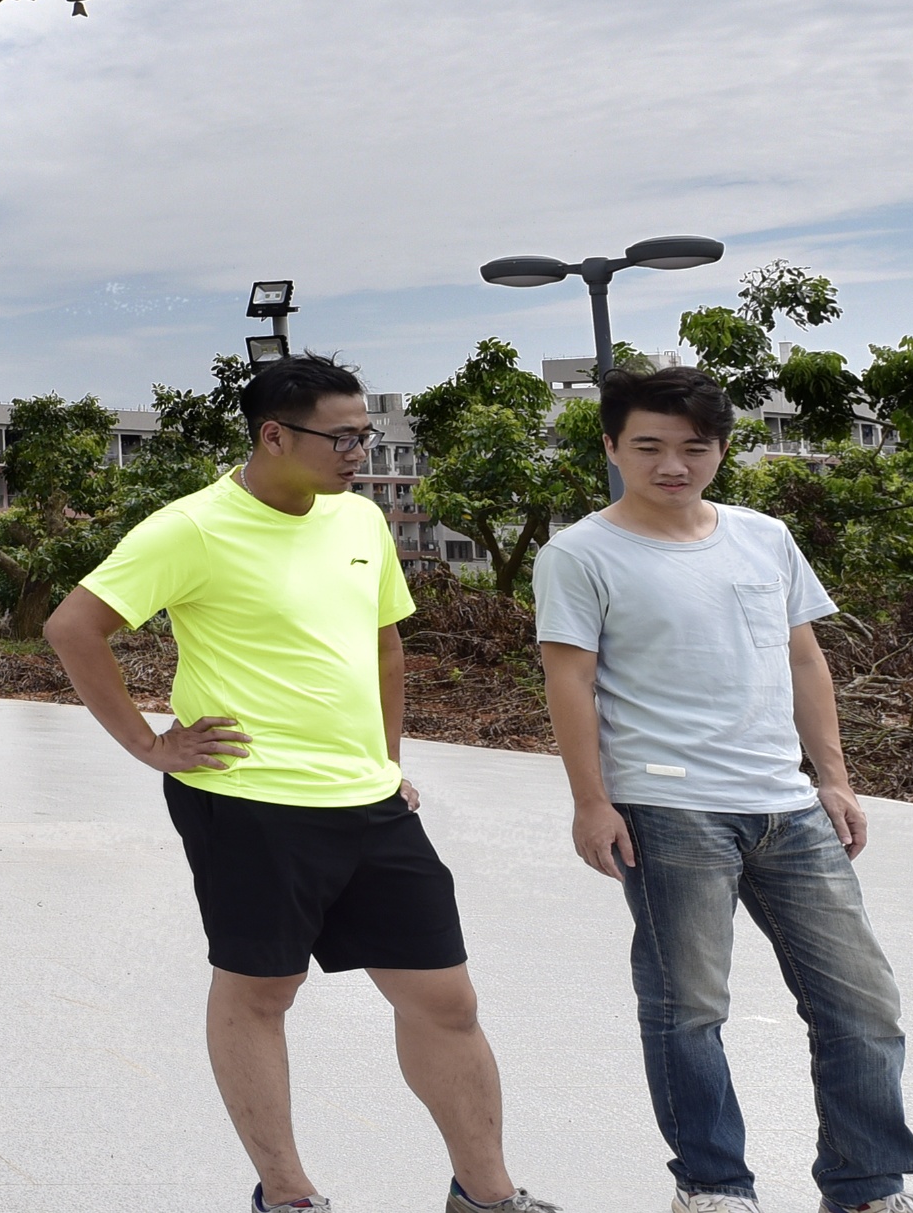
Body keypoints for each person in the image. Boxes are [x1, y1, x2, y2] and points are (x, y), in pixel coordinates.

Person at [47, 354, 555, 1213]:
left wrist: (386, 762)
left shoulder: (356, 520)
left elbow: (385, 643)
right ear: (272, 434)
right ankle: (286, 1194)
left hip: (366, 801)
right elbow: (74, 626)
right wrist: (147, 743)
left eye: (367, 433)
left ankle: (486, 1194)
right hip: (247, 799)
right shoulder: (193, 527)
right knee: (260, 993)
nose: (359, 450)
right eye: (342, 435)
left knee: (444, 997)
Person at [535, 362, 913, 1213]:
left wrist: (831, 776)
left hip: (786, 805)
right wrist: (590, 798)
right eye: (647, 445)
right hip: (666, 802)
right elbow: (568, 679)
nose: (671, 463)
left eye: (693, 446)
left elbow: (802, 658)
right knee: (687, 1006)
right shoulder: (579, 552)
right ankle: (713, 1186)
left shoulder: (763, 535)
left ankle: (867, 1189)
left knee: (862, 1004)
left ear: (720, 449)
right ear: (611, 446)